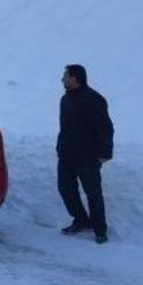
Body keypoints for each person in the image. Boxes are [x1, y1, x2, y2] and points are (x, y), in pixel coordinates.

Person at [56, 64, 114, 244]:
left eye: (65, 76)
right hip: (66, 155)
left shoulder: (94, 99)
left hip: (87, 156)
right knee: (66, 189)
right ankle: (81, 220)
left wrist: (105, 152)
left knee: (93, 193)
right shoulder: (65, 99)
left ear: (74, 78)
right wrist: (60, 147)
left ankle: (100, 230)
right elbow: (65, 128)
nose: (62, 80)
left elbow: (106, 128)